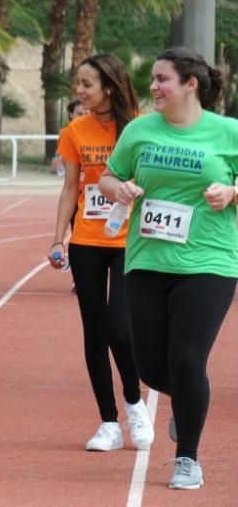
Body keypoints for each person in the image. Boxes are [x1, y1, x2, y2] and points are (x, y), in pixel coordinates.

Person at [100, 47, 238, 490]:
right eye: (154, 79)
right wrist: (119, 187)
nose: (154, 87)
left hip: (209, 260)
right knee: (152, 370)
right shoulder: (139, 130)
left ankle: (187, 458)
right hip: (146, 260)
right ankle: (186, 399)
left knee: (187, 357)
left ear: (190, 84)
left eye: (162, 79)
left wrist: (232, 192)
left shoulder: (228, 132)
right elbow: (107, 176)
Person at [47, 53, 153, 453]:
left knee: (119, 327)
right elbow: (70, 187)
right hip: (87, 241)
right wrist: (58, 239)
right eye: (78, 83)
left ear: (109, 86)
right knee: (93, 329)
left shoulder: (142, 127)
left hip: (132, 241)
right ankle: (108, 422)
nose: (79, 91)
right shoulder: (75, 130)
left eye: (86, 84)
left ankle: (133, 400)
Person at [52, 99, 89, 176]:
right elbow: (58, 161)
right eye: (80, 114)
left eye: (86, 114)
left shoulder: (97, 132)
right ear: (71, 115)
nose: (83, 117)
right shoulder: (65, 133)